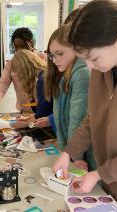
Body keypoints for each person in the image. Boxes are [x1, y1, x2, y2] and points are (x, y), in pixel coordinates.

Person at [53, 0, 117, 207]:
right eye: (84, 58)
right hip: (110, 188)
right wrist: (69, 152)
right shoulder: (100, 69)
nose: (89, 66)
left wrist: (99, 174)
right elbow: (93, 117)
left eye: (93, 57)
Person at [44, 24, 96, 171]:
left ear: (76, 50)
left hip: (82, 154)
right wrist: (64, 152)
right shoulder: (62, 75)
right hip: (69, 150)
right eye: (52, 55)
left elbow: (77, 120)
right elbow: (60, 118)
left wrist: (75, 157)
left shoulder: (81, 75)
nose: (54, 60)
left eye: (60, 54)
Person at [0, 27, 46, 119]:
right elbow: (2, 85)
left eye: (22, 46)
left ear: (31, 43)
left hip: (44, 112)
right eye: (16, 47)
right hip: (24, 112)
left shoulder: (43, 59)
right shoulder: (11, 64)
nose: (19, 50)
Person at [9, 49, 56, 133]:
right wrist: (32, 117)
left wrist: (26, 123)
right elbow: (45, 110)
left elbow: (42, 114)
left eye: (18, 72)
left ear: (24, 68)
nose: (19, 77)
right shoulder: (45, 74)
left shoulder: (42, 80)